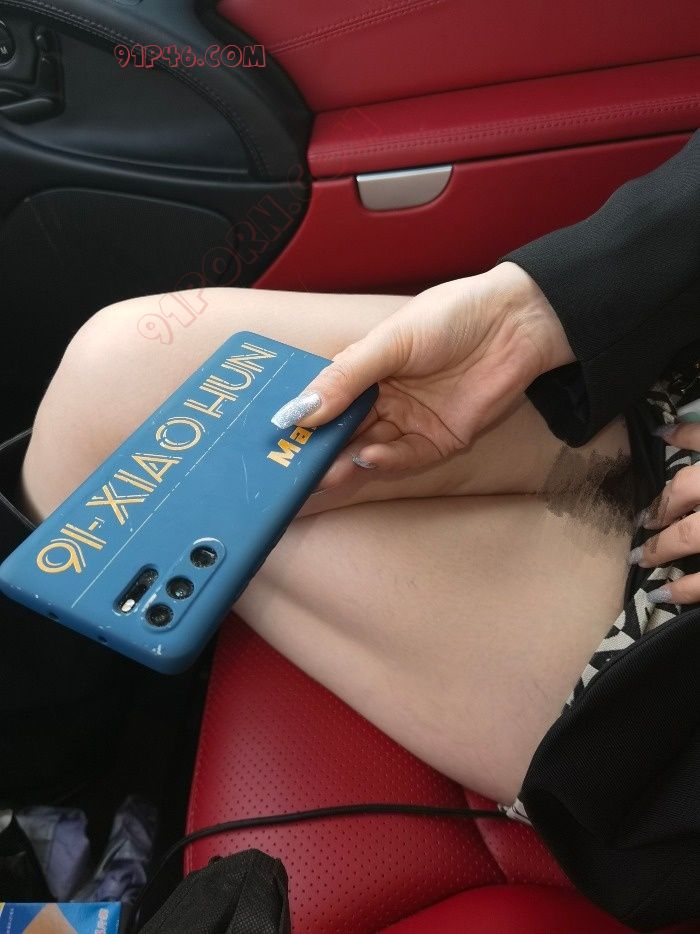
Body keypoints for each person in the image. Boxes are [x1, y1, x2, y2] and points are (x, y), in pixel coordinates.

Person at [1, 130, 698, 926]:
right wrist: (538, 307)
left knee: (209, 525)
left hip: (673, 652)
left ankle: (50, 806)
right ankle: (42, 789)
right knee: (117, 373)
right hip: (673, 376)